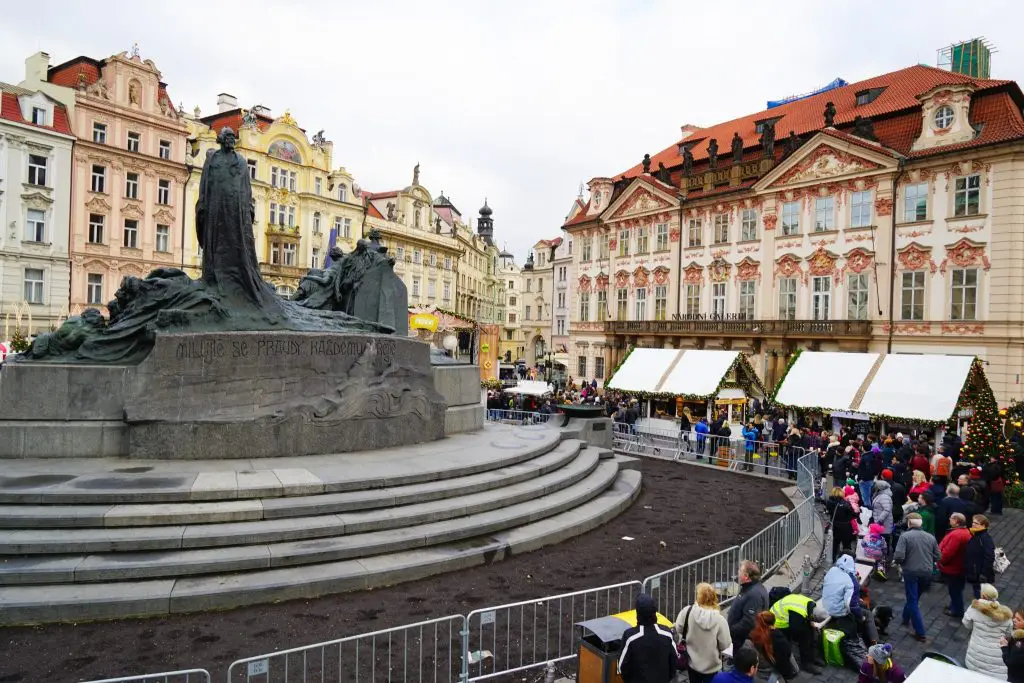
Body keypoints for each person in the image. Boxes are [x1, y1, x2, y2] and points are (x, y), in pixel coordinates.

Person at [892, 513, 940, 642]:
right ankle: (905, 617)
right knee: (915, 596)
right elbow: (937, 556)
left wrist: (900, 563)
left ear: (909, 523)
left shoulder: (905, 536)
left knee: (913, 600)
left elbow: (899, 555)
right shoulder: (930, 537)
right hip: (927, 572)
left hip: (911, 572)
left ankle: (920, 632)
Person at [675, 583, 732, 683]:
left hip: (692, 663)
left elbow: (678, 628)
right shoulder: (720, 621)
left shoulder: (687, 612)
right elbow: (725, 644)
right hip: (712, 667)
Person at [822, 554, 870, 668]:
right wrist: (860, 617)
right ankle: (870, 641)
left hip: (825, 604)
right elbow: (851, 605)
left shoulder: (832, 570)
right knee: (862, 615)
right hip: (838, 611)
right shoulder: (850, 580)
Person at [617, 593, 676, 683]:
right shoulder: (667, 633)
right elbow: (674, 660)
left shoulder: (630, 636)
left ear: (637, 613)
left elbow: (622, 667)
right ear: (654, 612)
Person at [963, 583, 1014, 679]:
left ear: (983, 596)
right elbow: (1008, 634)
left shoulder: (974, 609)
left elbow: (967, 624)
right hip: (997, 659)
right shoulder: (1006, 615)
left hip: (976, 655)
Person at [769, 592, 824, 674]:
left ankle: (812, 657)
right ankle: (806, 663)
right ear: (812, 616)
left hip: (787, 616)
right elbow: (795, 629)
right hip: (778, 623)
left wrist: (812, 625)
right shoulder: (798, 612)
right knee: (804, 636)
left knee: (809, 631)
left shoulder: (811, 604)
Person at [745, 611, 799, 681]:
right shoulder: (779, 639)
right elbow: (784, 660)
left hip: (762, 670)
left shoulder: (755, 636)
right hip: (775, 671)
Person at [728, 560, 769, 648]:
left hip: (743, 643)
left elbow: (749, 622)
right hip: (740, 640)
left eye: (740, 570)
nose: (738, 572)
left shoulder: (754, 594)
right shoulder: (749, 588)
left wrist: (731, 630)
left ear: (746, 576)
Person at [938, 512, 971, 619]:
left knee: (954, 590)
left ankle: (957, 610)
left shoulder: (956, 535)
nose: (949, 519)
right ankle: (954, 605)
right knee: (958, 588)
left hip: (953, 568)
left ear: (956, 521)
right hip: (960, 567)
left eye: (951, 518)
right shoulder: (966, 532)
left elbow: (948, 553)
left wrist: (941, 561)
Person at [965, 514, 996, 599]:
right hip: (975, 571)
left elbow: (989, 556)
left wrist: (984, 573)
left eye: (976, 523)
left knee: (980, 596)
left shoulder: (984, 538)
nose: (973, 524)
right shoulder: (976, 535)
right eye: (973, 522)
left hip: (979, 573)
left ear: (983, 525)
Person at [827, 486, 858, 561]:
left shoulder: (829, 502)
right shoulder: (846, 504)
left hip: (835, 526)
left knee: (835, 544)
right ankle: (846, 561)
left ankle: (833, 560)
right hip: (846, 527)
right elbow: (853, 515)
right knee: (846, 546)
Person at [1000, 609, 1024, 683]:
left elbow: (1010, 662)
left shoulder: (1020, 643)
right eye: (1014, 617)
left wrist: (1004, 647)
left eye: (1018, 619)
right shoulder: (1016, 633)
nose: (1014, 620)